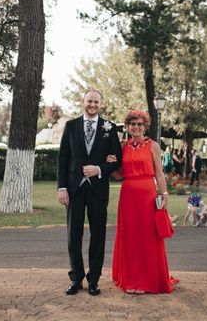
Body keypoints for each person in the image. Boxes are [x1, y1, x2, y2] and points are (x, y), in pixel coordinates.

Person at [56, 89, 122, 296]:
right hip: (74, 189)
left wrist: (100, 169)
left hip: (98, 189)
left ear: (101, 104)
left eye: (96, 102)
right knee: (73, 234)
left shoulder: (109, 128)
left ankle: (93, 280)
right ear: (82, 101)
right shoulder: (71, 126)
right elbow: (63, 159)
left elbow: (117, 159)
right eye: (89, 101)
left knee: (98, 234)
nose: (92, 105)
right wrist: (62, 187)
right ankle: (76, 278)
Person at [108, 110, 177, 294]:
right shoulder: (123, 146)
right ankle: (131, 280)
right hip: (128, 196)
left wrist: (164, 193)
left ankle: (146, 280)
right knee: (130, 237)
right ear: (128, 127)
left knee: (147, 237)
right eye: (133, 124)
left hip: (148, 195)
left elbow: (159, 173)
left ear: (145, 126)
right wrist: (109, 165)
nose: (136, 127)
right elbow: (119, 175)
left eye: (140, 124)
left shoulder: (153, 146)